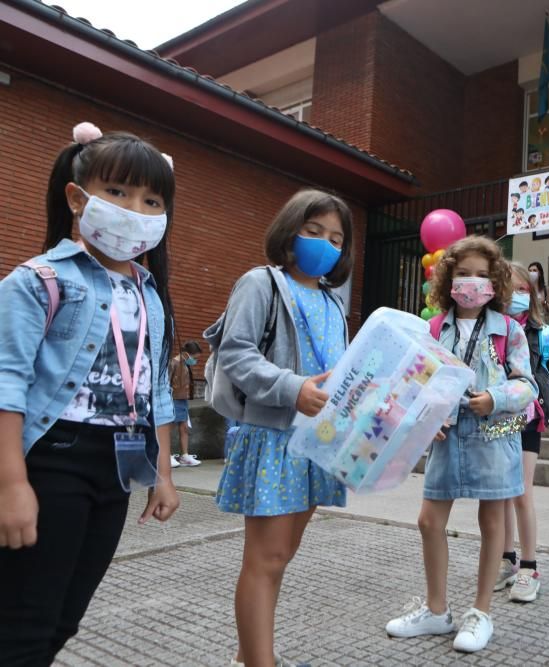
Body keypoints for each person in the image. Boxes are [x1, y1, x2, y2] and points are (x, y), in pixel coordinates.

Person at [0, 123, 180, 665]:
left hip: (118, 466)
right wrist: (10, 483)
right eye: (119, 193)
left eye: (152, 200)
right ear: (78, 198)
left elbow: (158, 389)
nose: (136, 210)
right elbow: (7, 382)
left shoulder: (148, 292)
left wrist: (164, 473)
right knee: (23, 624)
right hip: (53, 460)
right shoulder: (37, 281)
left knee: (64, 618)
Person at [208, 189, 352, 667]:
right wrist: (292, 388)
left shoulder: (335, 303)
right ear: (289, 231)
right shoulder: (261, 283)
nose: (325, 245)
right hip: (274, 438)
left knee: (282, 554)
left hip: (318, 442)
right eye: (313, 232)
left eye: (336, 238)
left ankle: (248, 655)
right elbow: (235, 351)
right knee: (265, 559)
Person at [386, 236, 537, 654]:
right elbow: (415, 383)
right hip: (447, 439)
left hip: (495, 437)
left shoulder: (509, 330)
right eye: (463, 273)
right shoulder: (432, 328)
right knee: (428, 521)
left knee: (493, 524)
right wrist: (422, 420)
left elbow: (528, 386)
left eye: (482, 275)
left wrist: (497, 398)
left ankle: (480, 612)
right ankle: (437, 610)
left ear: (496, 283)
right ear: (448, 278)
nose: (472, 282)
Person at [497, 262, 549, 603]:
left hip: (527, 419)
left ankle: (529, 566)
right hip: (496, 417)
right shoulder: (492, 328)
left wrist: (542, 410)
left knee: (522, 491)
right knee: (500, 492)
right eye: (510, 288)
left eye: (523, 289)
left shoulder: (542, 333)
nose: (517, 295)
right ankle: (506, 560)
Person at [169, 340, 203, 468]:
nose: (194, 361)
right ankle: (167, 455)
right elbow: (168, 381)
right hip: (174, 398)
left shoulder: (185, 364)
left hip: (183, 399)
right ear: (186, 354)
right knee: (169, 428)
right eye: (194, 357)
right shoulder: (174, 363)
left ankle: (185, 455)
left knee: (184, 427)